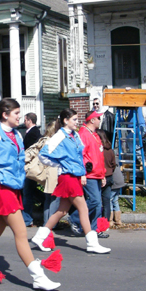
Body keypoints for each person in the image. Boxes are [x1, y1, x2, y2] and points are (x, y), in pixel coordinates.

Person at [0, 98, 60, 291]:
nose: (19, 117)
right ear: (5, 115)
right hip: (1, 189)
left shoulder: (16, 134)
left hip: (13, 188)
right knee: (21, 233)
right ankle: (38, 277)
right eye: (16, 113)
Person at [31, 109, 111, 254]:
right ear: (65, 120)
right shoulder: (59, 136)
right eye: (74, 119)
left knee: (62, 211)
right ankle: (92, 243)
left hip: (74, 176)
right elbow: (43, 155)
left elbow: (79, 156)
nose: (77, 122)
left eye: (77, 119)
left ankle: (39, 237)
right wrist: (59, 165)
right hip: (68, 177)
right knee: (83, 209)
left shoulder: (75, 135)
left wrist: (82, 173)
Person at [69, 109, 106, 235]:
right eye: (98, 118)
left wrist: (103, 174)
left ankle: (94, 229)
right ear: (92, 120)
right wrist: (83, 173)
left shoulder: (95, 134)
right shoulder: (84, 134)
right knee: (95, 201)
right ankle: (75, 218)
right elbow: (80, 155)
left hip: (97, 174)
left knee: (98, 203)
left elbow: (99, 156)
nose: (100, 120)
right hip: (89, 174)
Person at [21, 112, 42, 226]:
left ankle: (27, 219)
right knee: (31, 190)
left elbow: (29, 150)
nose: (24, 122)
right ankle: (44, 200)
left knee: (27, 192)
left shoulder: (32, 134)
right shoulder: (35, 132)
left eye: (25, 120)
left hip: (30, 166)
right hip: (33, 166)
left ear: (29, 120)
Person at [98, 129, 118, 226]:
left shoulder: (98, 150)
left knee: (97, 201)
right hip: (109, 176)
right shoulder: (110, 150)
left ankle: (97, 221)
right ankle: (105, 222)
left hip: (99, 176)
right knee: (106, 201)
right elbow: (114, 164)